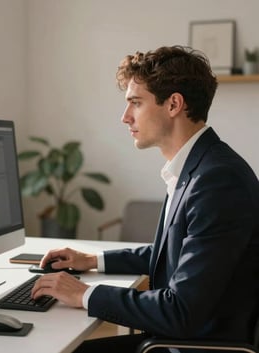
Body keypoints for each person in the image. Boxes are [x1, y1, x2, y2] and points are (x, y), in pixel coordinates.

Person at [31, 45, 259, 352]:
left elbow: (180, 311)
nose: (125, 117)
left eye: (135, 103)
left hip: (193, 347)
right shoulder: (199, 166)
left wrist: (84, 294)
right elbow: (175, 252)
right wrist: (92, 260)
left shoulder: (217, 181)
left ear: (174, 104)